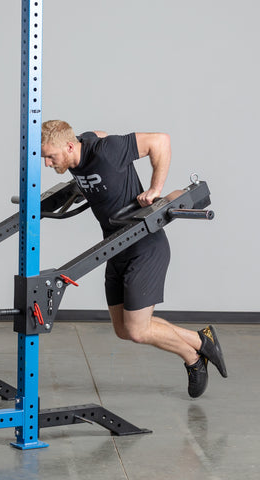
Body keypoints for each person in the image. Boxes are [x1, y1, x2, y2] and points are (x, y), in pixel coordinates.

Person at [40, 120, 227, 398]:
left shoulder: (108, 151)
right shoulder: (81, 147)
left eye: (50, 156)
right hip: (115, 249)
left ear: (69, 146)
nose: (46, 163)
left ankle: (193, 355)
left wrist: (154, 188)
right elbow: (96, 134)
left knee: (138, 330)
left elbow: (160, 141)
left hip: (144, 246)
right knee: (124, 330)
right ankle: (200, 341)